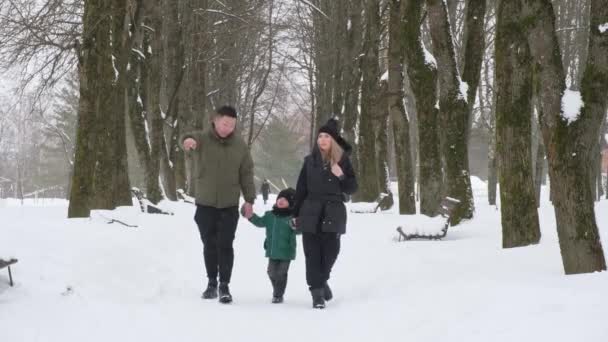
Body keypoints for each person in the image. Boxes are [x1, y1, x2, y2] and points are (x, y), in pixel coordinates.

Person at [181, 105, 256, 304]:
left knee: (225, 244)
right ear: (215, 120)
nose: (227, 128)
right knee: (209, 244)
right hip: (205, 204)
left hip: (229, 205)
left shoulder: (240, 146)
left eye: (232, 125)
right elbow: (189, 137)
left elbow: (246, 173)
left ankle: (224, 285)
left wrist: (249, 200)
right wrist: (187, 141)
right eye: (225, 123)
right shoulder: (202, 139)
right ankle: (211, 283)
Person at [292, 118, 358, 309]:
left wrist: (341, 175)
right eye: (320, 136)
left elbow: (352, 188)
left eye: (326, 136)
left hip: (334, 212)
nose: (322, 139)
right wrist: (295, 214)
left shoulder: (343, 161)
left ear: (334, 140)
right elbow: (301, 188)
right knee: (312, 254)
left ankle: (322, 281)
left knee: (330, 253)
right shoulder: (309, 161)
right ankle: (317, 294)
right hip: (310, 210)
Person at [244, 188, 297, 304]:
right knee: (271, 272)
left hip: (286, 252)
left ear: (291, 204)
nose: (281, 201)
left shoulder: (292, 218)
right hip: (272, 251)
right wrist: (250, 216)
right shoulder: (270, 215)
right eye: (280, 198)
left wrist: (297, 226)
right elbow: (259, 222)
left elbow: (298, 231)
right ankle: (277, 289)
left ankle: (278, 295)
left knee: (281, 273)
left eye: (285, 200)